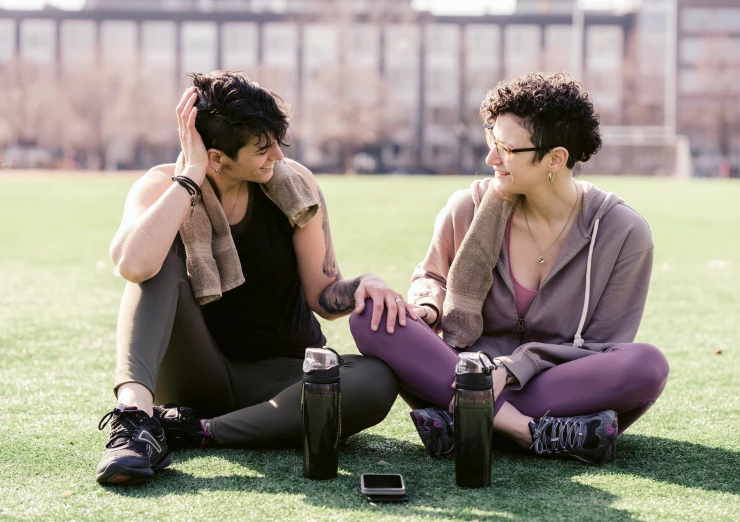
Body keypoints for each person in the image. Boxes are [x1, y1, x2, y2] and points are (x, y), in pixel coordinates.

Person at [96, 71, 417, 485]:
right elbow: (133, 266)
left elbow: (323, 296)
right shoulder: (163, 186)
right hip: (199, 372)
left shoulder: (295, 186)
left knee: (375, 381)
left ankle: (196, 431)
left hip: (283, 376)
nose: (277, 158)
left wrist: (363, 284)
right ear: (216, 157)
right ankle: (135, 423)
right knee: (158, 259)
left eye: (277, 144)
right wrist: (190, 175)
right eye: (261, 150)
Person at [350, 72, 669, 463]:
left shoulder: (622, 233)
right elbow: (430, 278)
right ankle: (527, 430)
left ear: (556, 159)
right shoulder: (467, 207)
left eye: (505, 148)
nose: (490, 159)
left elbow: (602, 347)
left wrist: (517, 367)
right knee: (371, 317)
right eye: (491, 141)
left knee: (647, 365)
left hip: (549, 378)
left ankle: (467, 419)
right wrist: (428, 306)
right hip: (460, 366)